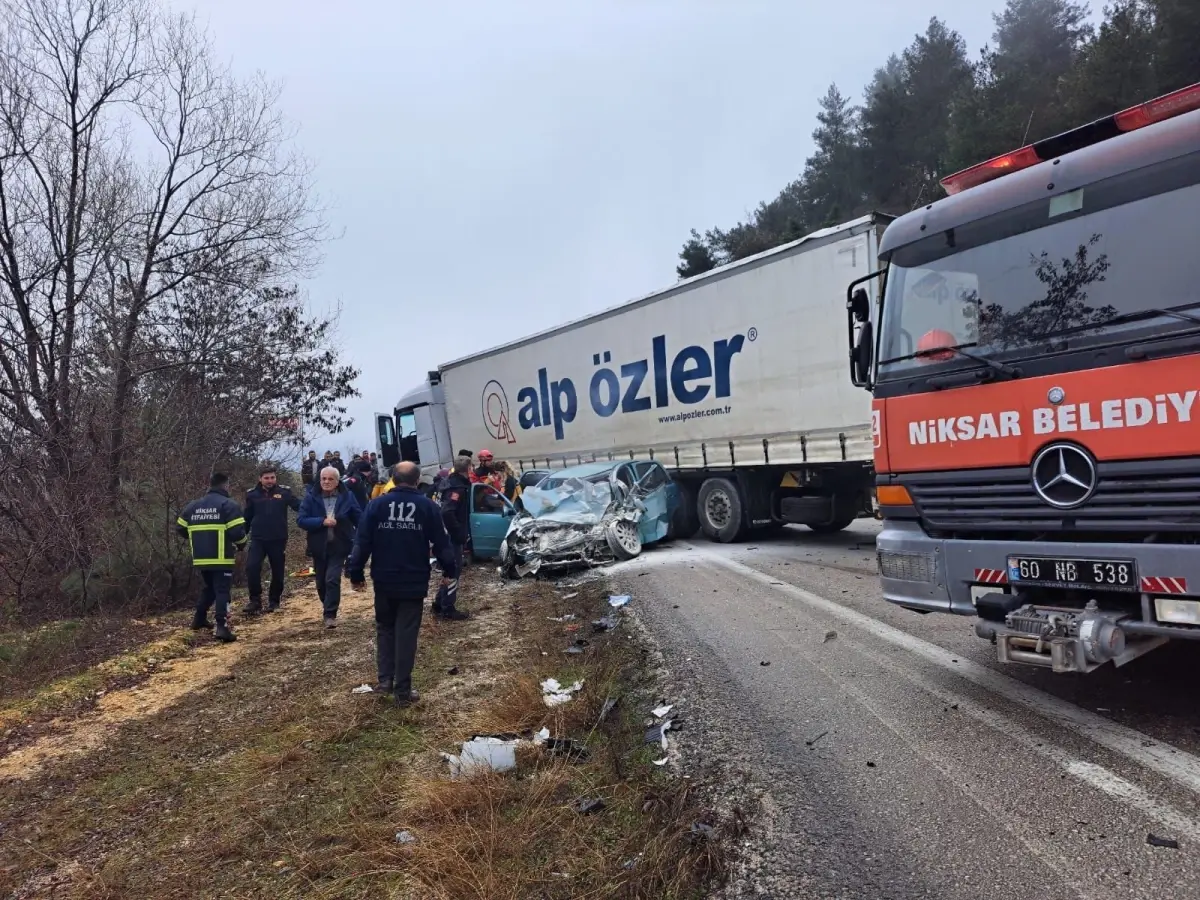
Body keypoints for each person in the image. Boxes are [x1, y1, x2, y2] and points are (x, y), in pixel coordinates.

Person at [347, 461, 458, 707]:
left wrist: (356, 573)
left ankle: (385, 681)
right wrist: (450, 569)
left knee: (385, 629)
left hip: (384, 580)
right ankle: (402, 691)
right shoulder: (427, 506)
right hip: (413, 580)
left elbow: (362, 541)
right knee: (406, 633)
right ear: (417, 480)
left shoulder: (376, 505)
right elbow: (441, 542)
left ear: (393, 479)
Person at [175, 472, 248, 643]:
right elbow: (237, 532)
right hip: (221, 557)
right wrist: (242, 545)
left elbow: (180, 528)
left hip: (200, 557)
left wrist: (198, 538)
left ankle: (199, 619)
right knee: (222, 590)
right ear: (226, 485)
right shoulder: (228, 504)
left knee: (209, 588)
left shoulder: (193, 506)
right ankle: (221, 627)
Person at [297, 466, 361, 627]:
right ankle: (327, 605)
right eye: (323, 479)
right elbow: (301, 520)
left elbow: (359, 518)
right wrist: (321, 521)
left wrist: (364, 537)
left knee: (332, 579)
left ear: (337, 481)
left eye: (330, 479)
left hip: (340, 545)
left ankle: (330, 614)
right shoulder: (311, 497)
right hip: (318, 547)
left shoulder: (347, 496)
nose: (326, 482)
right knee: (321, 583)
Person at [242, 465, 301, 615]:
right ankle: (255, 600)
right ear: (260, 479)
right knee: (252, 567)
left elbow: (300, 507)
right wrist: (241, 538)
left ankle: (274, 601)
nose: (270, 481)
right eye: (266, 478)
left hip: (278, 538)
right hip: (258, 539)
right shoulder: (252, 495)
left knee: (277, 571)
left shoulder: (284, 492)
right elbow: (247, 518)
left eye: (272, 477)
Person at [434, 456, 473, 620]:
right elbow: (447, 512)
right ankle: (448, 608)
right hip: (450, 536)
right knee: (454, 570)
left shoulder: (451, 483)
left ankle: (439, 603)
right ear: (469, 469)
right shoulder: (457, 488)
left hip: (444, 535)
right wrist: (458, 532)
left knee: (449, 569)